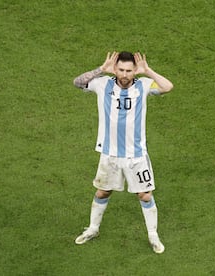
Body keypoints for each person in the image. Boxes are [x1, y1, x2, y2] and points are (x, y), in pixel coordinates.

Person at [72, 51, 173, 254]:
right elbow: (77, 82)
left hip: (136, 155)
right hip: (109, 154)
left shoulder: (143, 85)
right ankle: (93, 229)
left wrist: (148, 71)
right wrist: (101, 69)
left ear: (135, 70)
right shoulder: (102, 84)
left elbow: (167, 87)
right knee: (103, 191)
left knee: (144, 195)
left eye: (129, 70)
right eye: (121, 70)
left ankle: (153, 235)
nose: (125, 75)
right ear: (115, 69)